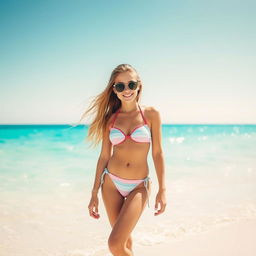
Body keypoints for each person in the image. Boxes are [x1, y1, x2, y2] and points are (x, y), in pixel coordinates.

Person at [84, 64, 166, 256]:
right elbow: (104, 156)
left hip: (139, 185)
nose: (126, 90)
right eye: (120, 86)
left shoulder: (151, 114)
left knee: (114, 244)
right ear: (114, 90)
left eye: (131, 84)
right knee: (124, 243)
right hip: (111, 184)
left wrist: (162, 189)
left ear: (139, 85)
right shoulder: (110, 119)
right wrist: (94, 192)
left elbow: (158, 153)